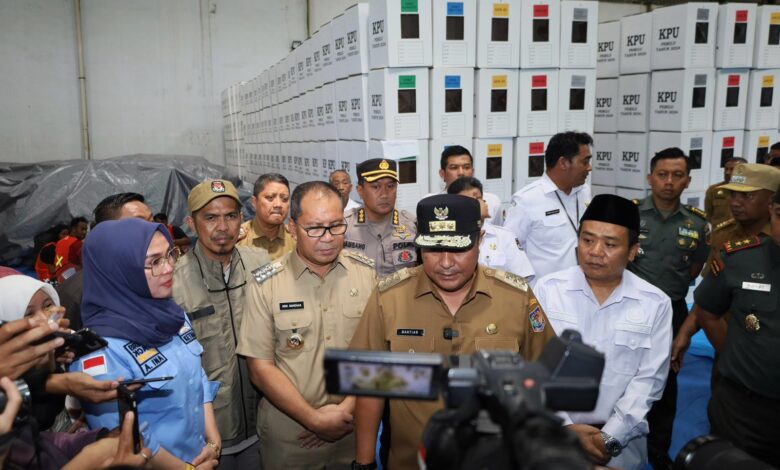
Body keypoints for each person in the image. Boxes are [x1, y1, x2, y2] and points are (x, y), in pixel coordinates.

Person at [350, 194, 556, 470]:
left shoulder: (516, 298)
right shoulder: (390, 298)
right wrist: (364, 464)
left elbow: (544, 375)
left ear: (480, 241)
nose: (446, 263)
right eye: (434, 250)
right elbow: (369, 385)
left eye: (458, 249)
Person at [237, 181, 377, 470]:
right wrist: (314, 420)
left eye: (336, 226)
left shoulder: (366, 275)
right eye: (314, 228)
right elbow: (260, 368)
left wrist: (345, 411)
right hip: (291, 437)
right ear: (292, 227)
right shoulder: (267, 283)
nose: (327, 237)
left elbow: (377, 351)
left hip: (354, 429)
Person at [533, 194, 672, 470]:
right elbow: (532, 362)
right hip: (554, 439)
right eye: (587, 240)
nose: (595, 251)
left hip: (619, 448)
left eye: (610, 244)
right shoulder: (547, 291)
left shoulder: (655, 303)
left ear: (633, 251)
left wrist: (609, 438)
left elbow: (649, 381)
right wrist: (566, 429)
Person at [72, 218, 221, 469]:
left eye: (170, 254)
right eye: (154, 262)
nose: (169, 267)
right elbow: (122, 435)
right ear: (119, 270)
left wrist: (214, 441)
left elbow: (199, 378)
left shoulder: (174, 316)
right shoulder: (99, 351)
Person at [174, 179, 271, 469]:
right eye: (211, 217)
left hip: (263, 425)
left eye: (230, 216)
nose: (223, 227)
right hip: (208, 437)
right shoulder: (174, 283)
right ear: (192, 223)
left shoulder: (263, 264)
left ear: (242, 219)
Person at [625, 148, 708, 468]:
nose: (669, 182)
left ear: (688, 180)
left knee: (666, 382)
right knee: (624, 373)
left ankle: (658, 451)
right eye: (662, 175)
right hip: (631, 309)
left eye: (677, 175)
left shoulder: (697, 224)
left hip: (672, 311)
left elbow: (694, 268)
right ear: (650, 178)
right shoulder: (632, 215)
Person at [0, 273, 126, 469]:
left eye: (48, 305)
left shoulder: (55, 355)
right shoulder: (7, 394)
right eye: (28, 315)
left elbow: (43, 440)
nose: (44, 318)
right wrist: (88, 460)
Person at [693, 189, 780, 465]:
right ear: (771, 212)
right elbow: (708, 312)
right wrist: (736, 356)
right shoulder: (740, 259)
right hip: (744, 410)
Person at [673, 164, 780, 370]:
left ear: (771, 200)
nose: (736, 202)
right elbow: (710, 295)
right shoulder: (724, 234)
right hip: (726, 342)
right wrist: (685, 333)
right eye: (733, 194)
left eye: (747, 196)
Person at [56, 192, 153, 331]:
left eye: (152, 221)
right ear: (106, 234)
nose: (155, 230)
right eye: (139, 223)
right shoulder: (76, 293)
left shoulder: (160, 275)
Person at [504, 132, 593, 280]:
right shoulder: (526, 200)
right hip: (544, 295)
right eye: (585, 162)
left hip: (582, 288)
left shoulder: (584, 191)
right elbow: (509, 250)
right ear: (564, 163)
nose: (589, 168)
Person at [447, 176, 535, 280]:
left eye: (478, 198)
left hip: (500, 295)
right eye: (467, 200)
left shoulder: (504, 236)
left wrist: (490, 278)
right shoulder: (448, 238)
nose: (477, 203)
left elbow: (522, 279)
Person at [344, 159, 418, 276]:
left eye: (390, 186)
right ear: (360, 191)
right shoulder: (344, 226)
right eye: (375, 187)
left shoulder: (412, 225)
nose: (384, 194)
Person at [426, 145, 504, 225]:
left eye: (466, 167)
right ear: (443, 174)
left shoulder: (492, 202)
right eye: (454, 168)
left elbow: (498, 233)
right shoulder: (429, 203)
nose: (461, 173)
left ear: (472, 172)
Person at [237, 173, 296, 260]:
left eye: (284, 199)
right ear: (254, 202)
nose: (278, 204)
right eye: (270, 198)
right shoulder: (238, 240)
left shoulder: (296, 239)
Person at [705, 157, 747, 226]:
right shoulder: (714, 190)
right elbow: (709, 215)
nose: (727, 172)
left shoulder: (751, 191)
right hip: (720, 233)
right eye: (726, 169)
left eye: (732, 169)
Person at [53, 216, 88, 281]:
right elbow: (86, 264)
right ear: (74, 229)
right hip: (71, 279)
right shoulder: (78, 244)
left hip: (59, 277)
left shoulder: (60, 242)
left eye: (86, 229)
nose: (84, 232)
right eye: (82, 229)